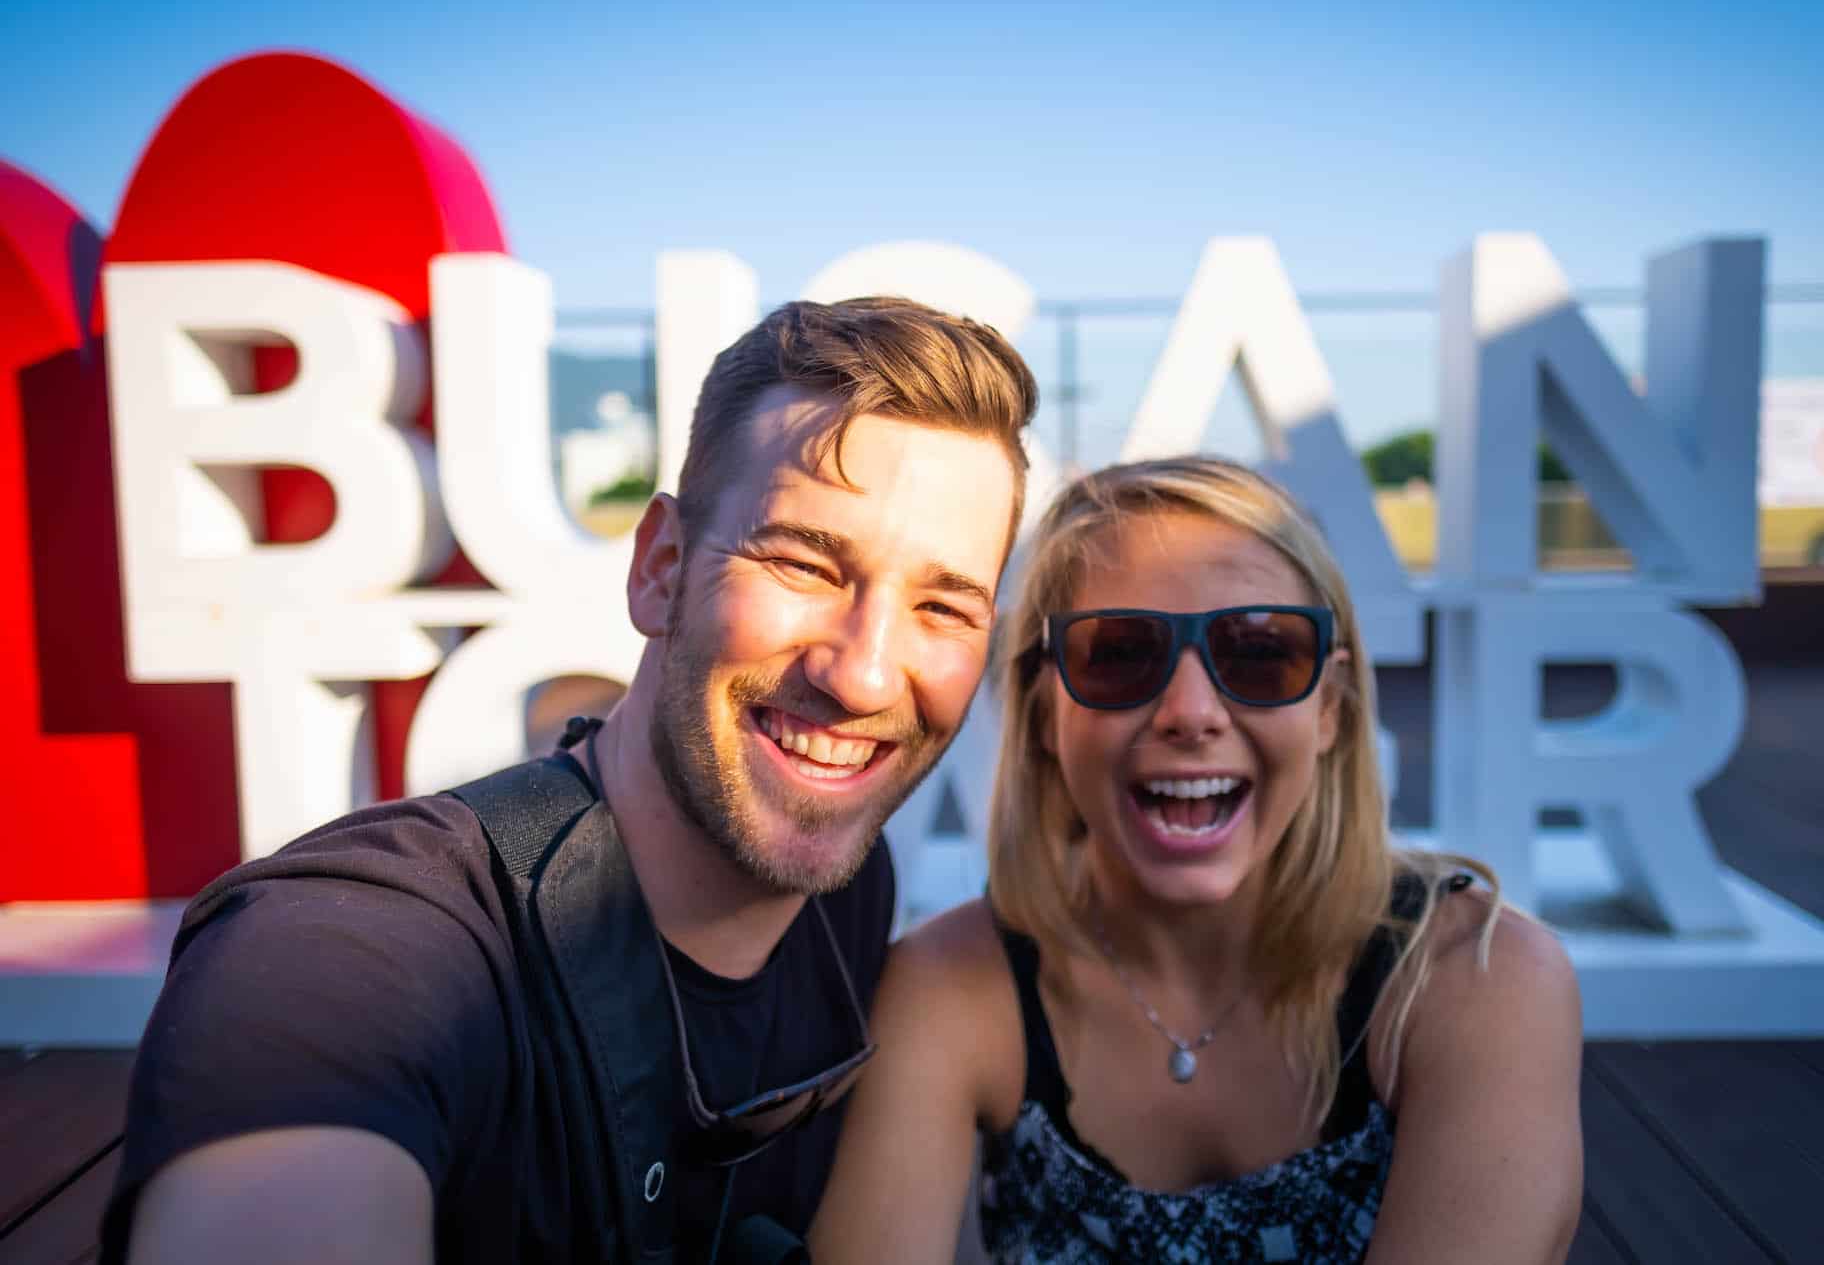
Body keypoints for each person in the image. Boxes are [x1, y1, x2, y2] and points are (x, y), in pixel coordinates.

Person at [105, 298, 1040, 1264]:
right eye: (803, 563)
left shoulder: (841, 898)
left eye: (942, 605)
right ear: (661, 568)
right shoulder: (358, 952)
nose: (866, 674)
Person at [811, 456, 1583, 1264]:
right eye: (1117, 654)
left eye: (1259, 652)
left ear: (1329, 707)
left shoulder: (1480, 980)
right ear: (1042, 712)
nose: (1190, 712)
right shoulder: (954, 988)